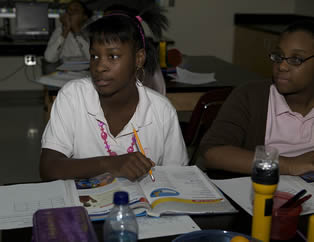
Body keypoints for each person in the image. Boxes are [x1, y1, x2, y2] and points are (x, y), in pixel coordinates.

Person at [40, 7, 189, 182]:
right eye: (95, 56)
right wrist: (109, 164)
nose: (100, 66)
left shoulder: (161, 110)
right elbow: (48, 169)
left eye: (113, 56)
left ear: (139, 58)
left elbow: (179, 178)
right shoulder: (73, 97)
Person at [200, 20, 314, 176]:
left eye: (296, 59)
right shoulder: (251, 95)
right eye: (279, 56)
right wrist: (288, 165)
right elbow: (213, 153)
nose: (282, 66)